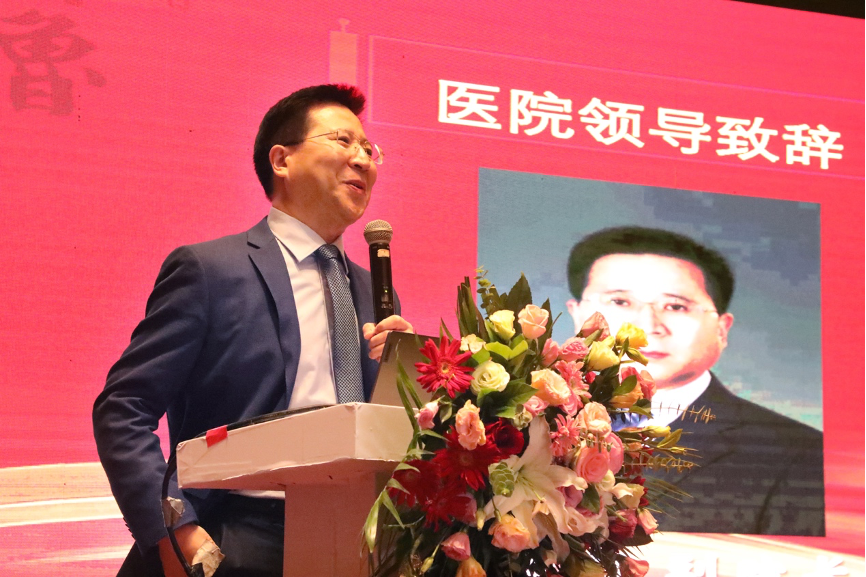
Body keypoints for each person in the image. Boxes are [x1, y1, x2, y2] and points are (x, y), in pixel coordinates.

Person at [93, 84, 414, 577]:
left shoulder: (376, 293)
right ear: (282, 160)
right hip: (233, 533)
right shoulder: (211, 270)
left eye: (369, 149)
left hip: (355, 536)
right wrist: (174, 530)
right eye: (342, 141)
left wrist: (406, 379)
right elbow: (123, 407)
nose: (362, 160)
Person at [566, 226, 824, 535]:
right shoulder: (527, 423)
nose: (647, 326)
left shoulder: (800, 455)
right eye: (620, 302)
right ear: (578, 315)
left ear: (721, 330)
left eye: (676, 306)